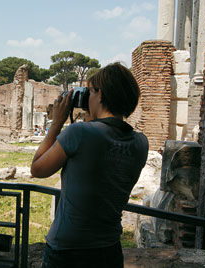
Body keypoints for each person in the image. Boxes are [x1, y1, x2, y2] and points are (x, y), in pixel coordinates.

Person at [30, 62, 149, 268]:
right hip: (109, 249)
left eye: (90, 92)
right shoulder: (141, 143)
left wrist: (57, 123)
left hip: (68, 249)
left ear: (100, 95)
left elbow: (37, 169)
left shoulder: (79, 133)